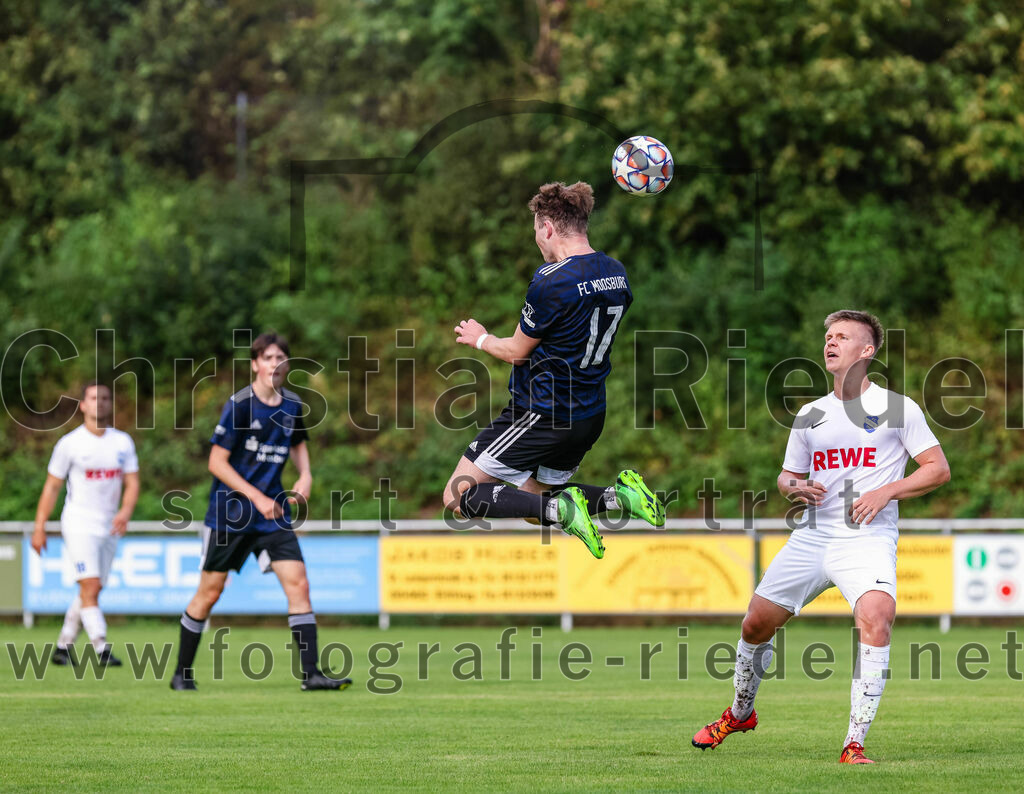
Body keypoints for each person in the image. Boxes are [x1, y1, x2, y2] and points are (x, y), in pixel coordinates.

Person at [691, 310, 951, 764]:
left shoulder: (897, 408)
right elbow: (785, 477)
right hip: (812, 536)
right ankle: (739, 713)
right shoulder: (810, 414)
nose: (830, 342)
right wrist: (795, 487)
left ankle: (854, 744)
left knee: (877, 617)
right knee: (755, 624)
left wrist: (886, 491)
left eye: (842, 336)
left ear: (867, 350)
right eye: (828, 336)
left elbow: (937, 469)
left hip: (866, 536)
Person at [444, 181, 665, 558]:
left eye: (535, 230)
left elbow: (516, 352)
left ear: (547, 227)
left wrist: (481, 338)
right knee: (535, 504)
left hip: (542, 411)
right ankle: (620, 497)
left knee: (457, 494)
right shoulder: (616, 272)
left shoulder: (552, 280)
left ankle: (566, 509)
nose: (537, 240)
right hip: (589, 415)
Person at [169, 332, 351, 692]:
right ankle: (181, 673)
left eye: (280, 358)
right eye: (267, 358)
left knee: (299, 583)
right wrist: (256, 498)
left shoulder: (292, 405)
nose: (274, 364)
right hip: (231, 515)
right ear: (255, 364)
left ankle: (311, 675)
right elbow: (216, 463)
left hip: (273, 515)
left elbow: (297, 443)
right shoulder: (240, 405)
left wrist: (306, 475)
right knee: (210, 592)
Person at [32, 382, 139, 667]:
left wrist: (125, 511)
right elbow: (52, 487)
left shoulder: (122, 442)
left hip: (109, 525)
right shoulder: (70, 444)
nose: (99, 402)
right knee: (90, 584)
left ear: (110, 404)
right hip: (79, 522)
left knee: (92, 590)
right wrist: (40, 526)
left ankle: (63, 646)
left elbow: (132, 482)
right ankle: (101, 647)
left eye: (104, 398)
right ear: (82, 405)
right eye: (93, 398)